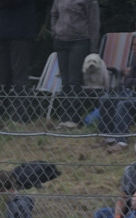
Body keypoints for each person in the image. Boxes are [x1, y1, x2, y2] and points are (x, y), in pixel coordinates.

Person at [0, 0, 37, 128]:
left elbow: (13, 2)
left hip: (21, 31)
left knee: (20, 78)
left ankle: (19, 120)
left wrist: (0, 4)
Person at [49, 0, 100, 129]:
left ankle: (73, 118)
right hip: (61, 41)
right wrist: (55, 30)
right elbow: (54, 14)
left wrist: (93, 48)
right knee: (65, 81)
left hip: (80, 41)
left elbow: (94, 22)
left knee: (75, 81)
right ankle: (64, 118)